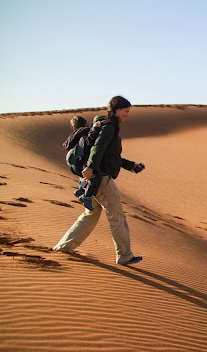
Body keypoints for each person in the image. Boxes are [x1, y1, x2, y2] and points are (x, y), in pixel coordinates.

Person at [54, 96, 145, 265]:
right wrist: (90, 167)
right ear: (116, 110)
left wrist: (130, 165)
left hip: (93, 180)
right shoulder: (109, 126)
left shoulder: (107, 126)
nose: (127, 115)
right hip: (101, 179)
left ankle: (64, 246)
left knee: (90, 215)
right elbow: (99, 147)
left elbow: (109, 156)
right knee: (117, 217)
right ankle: (124, 255)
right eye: (126, 111)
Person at [64, 115, 106, 211]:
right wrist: (95, 128)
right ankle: (86, 196)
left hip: (72, 163)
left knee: (83, 175)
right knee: (95, 175)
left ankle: (81, 189)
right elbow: (90, 140)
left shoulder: (74, 134)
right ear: (85, 123)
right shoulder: (85, 131)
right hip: (81, 161)